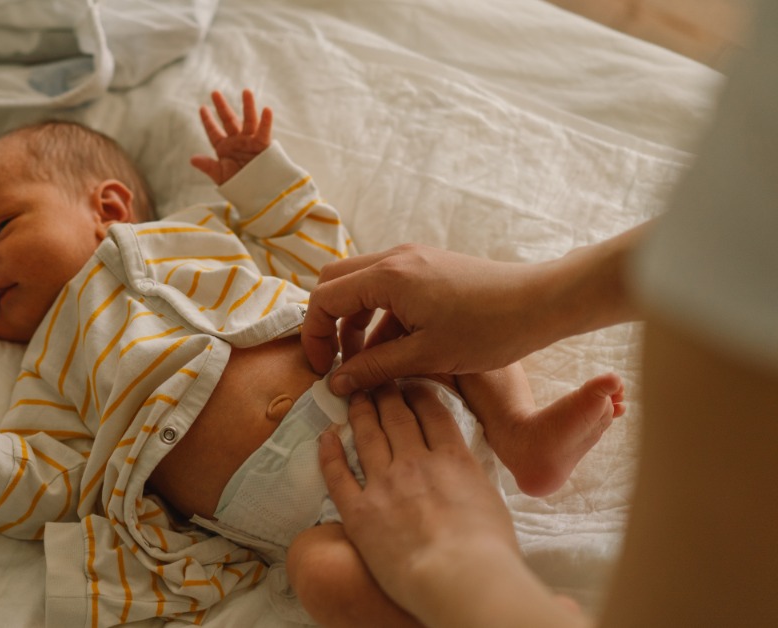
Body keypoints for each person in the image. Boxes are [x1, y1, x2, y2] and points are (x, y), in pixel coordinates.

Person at [0, 90, 624, 626]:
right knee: (318, 577)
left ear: (107, 208)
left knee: (423, 302)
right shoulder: (49, 368)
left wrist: (260, 181)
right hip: (303, 520)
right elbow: (59, 486)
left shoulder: (200, 232)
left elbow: (324, 256)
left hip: (372, 383)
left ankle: (521, 433)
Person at [301, 2, 778, 625]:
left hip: (378, 461)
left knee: (323, 566)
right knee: (319, 566)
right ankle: (520, 440)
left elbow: (283, 234)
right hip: (353, 482)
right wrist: (534, 298)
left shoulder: (180, 253)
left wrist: (466, 574)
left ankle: (519, 431)